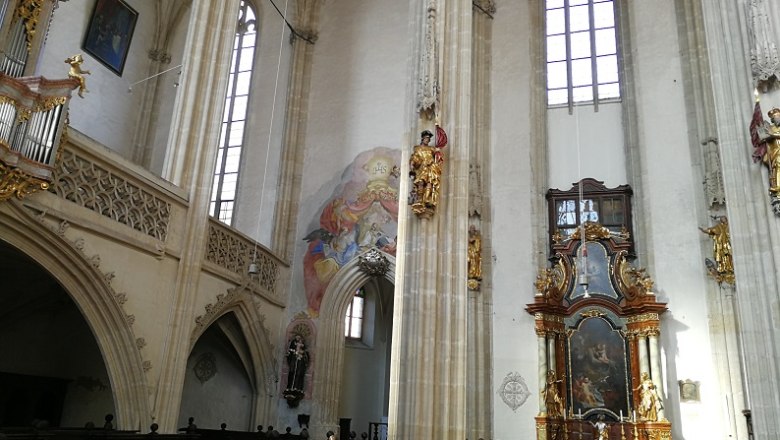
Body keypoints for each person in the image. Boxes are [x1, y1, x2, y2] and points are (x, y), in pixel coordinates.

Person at [409, 130, 443, 213]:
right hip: (421, 168)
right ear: (422, 139)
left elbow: (438, 156)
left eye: (428, 139)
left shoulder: (431, 149)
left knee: (429, 183)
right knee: (420, 183)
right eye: (426, 138)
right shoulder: (417, 148)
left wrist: (438, 151)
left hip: (430, 168)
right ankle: (420, 199)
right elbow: (414, 158)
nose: (427, 140)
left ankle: (427, 199)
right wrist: (412, 166)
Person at [759, 108, 780, 195]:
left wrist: (772, 135)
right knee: (777, 165)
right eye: (774, 118)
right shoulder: (771, 128)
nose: (777, 119)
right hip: (775, 151)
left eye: (778, 117)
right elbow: (764, 138)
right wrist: (764, 137)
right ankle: (777, 185)